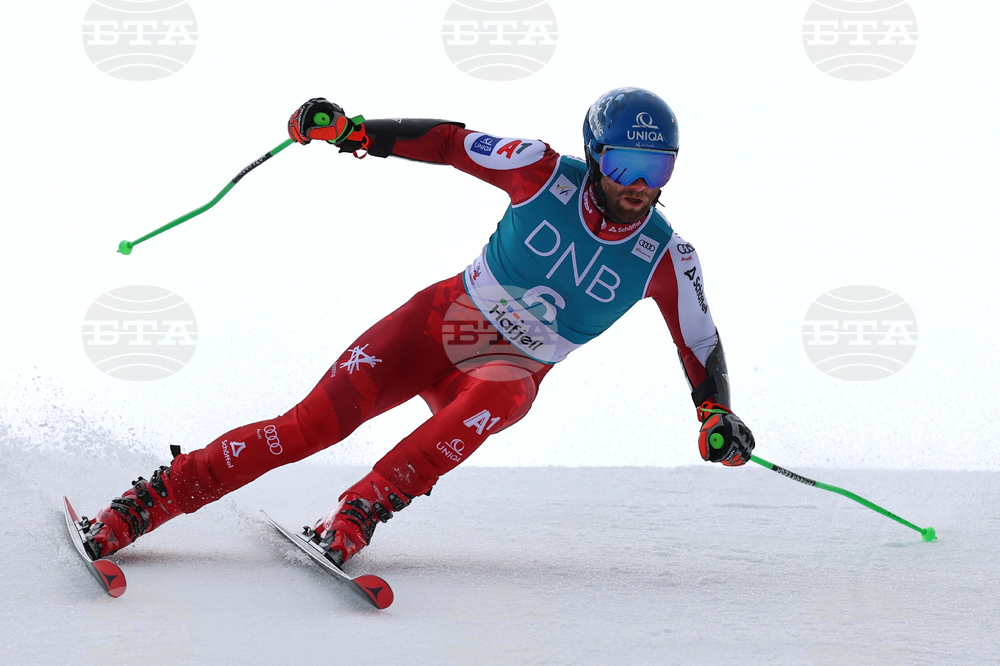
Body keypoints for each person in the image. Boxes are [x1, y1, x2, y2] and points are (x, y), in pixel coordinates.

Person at [82, 87, 756, 565]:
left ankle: (359, 513)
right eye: (622, 165)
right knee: (311, 425)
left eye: (657, 169)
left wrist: (715, 415)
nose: (639, 185)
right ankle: (150, 502)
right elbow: (448, 143)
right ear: (594, 154)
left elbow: (699, 341)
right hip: (442, 322)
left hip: (509, 368)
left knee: (503, 392)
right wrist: (353, 133)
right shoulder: (541, 170)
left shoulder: (668, 256)